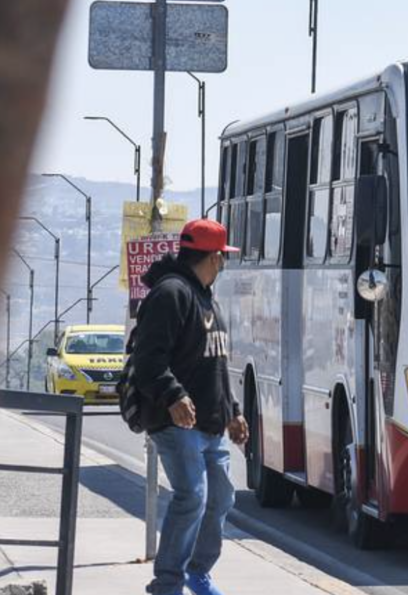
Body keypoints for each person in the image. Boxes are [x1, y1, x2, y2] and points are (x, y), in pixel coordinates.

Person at [134, 219, 248, 595]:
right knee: (191, 497)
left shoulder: (204, 295)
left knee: (220, 498)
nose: (223, 265)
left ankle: (197, 572)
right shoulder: (171, 294)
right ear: (214, 257)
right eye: (223, 258)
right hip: (177, 423)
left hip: (211, 424)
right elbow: (148, 359)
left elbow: (214, 361)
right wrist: (173, 396)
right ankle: (167, 584)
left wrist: (233, 410)